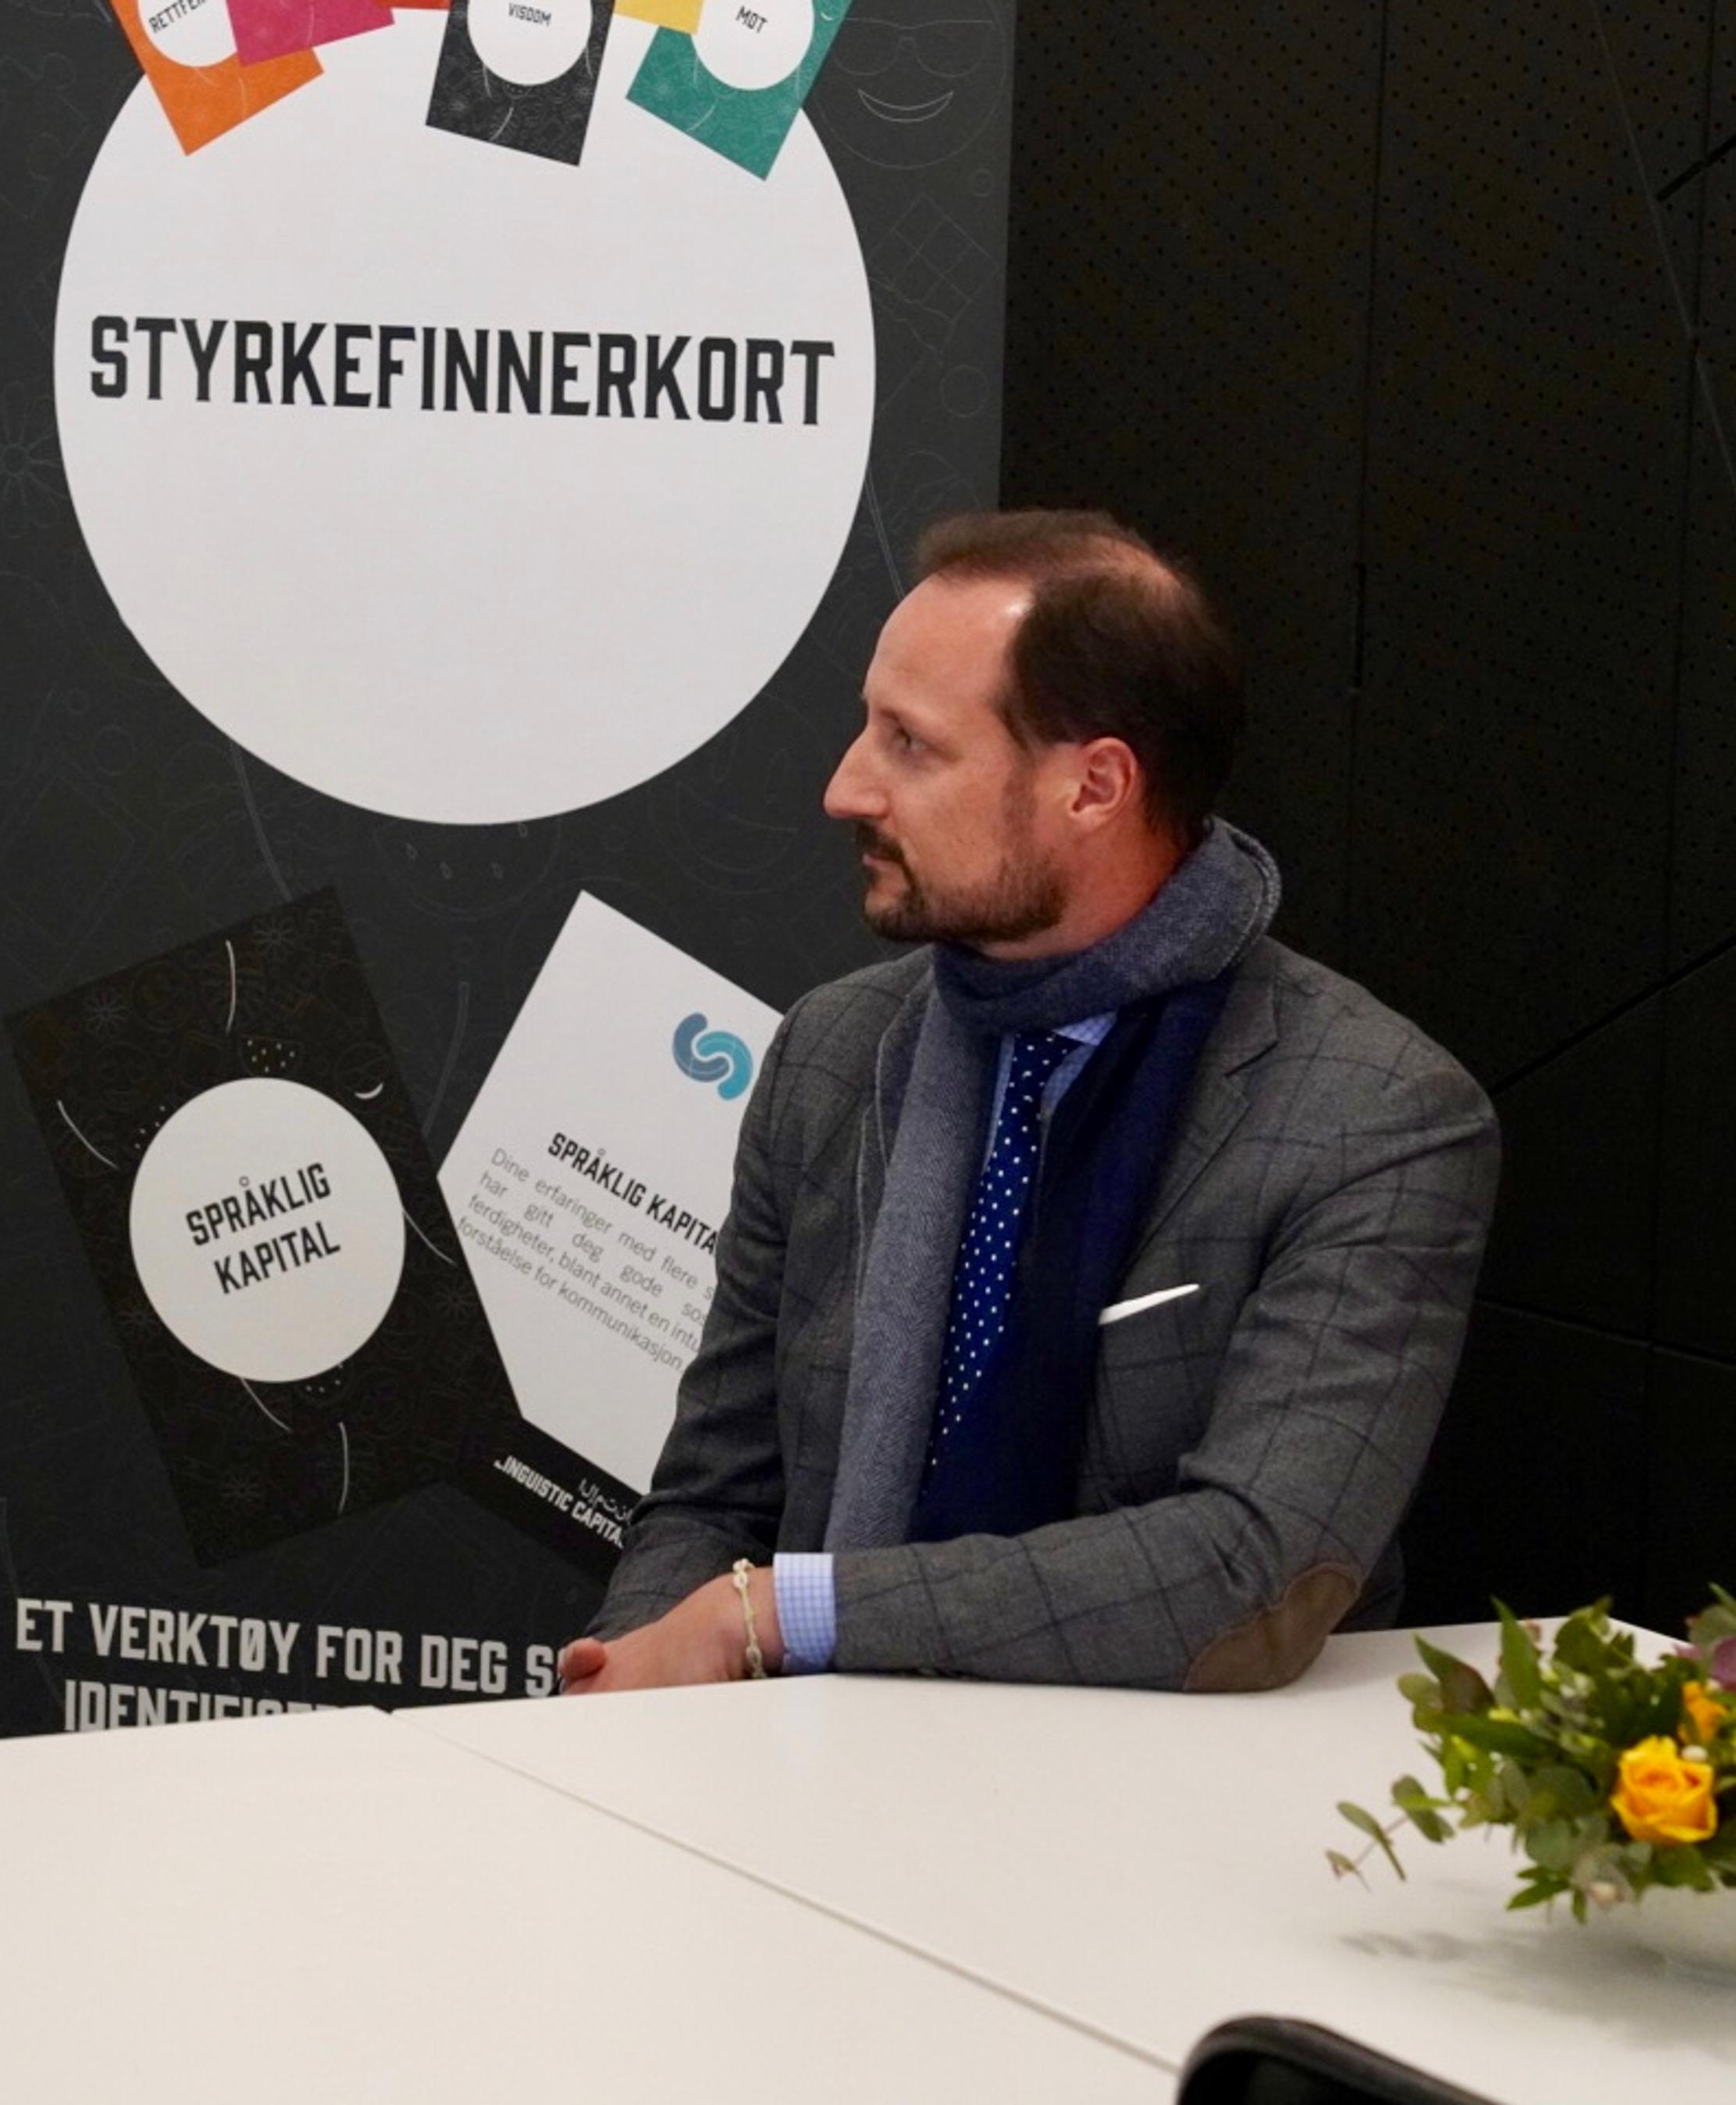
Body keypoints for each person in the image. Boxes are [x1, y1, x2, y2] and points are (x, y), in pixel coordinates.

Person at [564, 511, 1497, 1698]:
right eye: (868, 725)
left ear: (1094, 786)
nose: (846, 787)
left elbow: (1251, 1571)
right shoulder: (834, 1051)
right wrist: (628, 1699)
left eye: (912, 743)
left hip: (1156, 1789)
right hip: (798, 1764)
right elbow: (715, 1493)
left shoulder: (1376, 1117)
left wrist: (785, 1613)